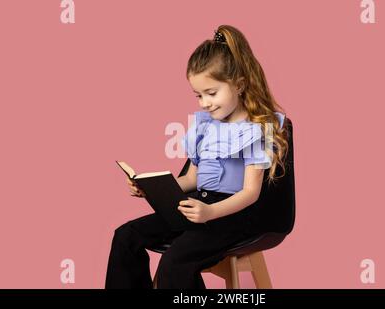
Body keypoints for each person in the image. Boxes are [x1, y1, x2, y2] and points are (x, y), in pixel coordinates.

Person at [105, 25, 290, 289]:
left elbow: (251, 193)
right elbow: (192, 178)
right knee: (126, 236)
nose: (204, 102)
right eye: (198, 95)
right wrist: (150, 188)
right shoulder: (205, 126)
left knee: (175, 261)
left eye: (211, 93)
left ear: (238, 85)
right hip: (198, 207)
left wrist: (211, 212)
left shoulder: (255, 130)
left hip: (232, 214)